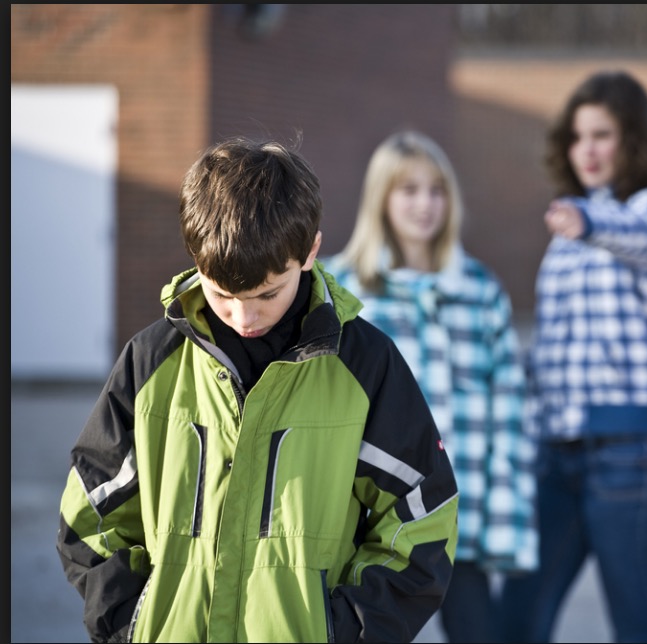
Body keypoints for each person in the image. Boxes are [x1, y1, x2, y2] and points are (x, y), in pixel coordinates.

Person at [55, 136, 460, 643]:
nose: (245, 316)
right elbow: (91, 513)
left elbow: (421, 519)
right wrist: (131, 625)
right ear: (195, 259)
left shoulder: (365, 366)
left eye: (268, 293)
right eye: (222, 293)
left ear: (310, 251)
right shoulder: (152, 361)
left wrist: (344, 632)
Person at [499, 70, 647, 643]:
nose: (587, 150)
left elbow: (643, 235)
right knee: (516, 621)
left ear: (634, 137)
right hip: (557, 451)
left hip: (633, 454)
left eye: (602, 135)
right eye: (578, 137)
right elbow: (558, 342)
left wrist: (591, 222)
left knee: (639, 628)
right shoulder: (574, 220)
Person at [326, 130, 537, 643]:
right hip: (373, 521)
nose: (425, 204)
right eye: (409, 190)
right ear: (381, 198)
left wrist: (505, 524)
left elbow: (509, 412)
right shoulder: (341, 290)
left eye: (437, 190)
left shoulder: (480, 291)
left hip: (457, 516)